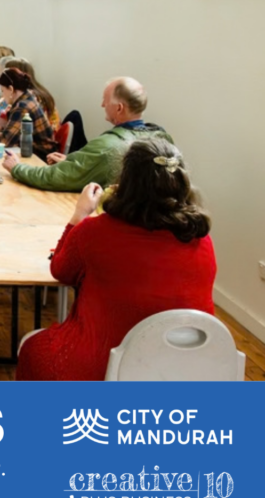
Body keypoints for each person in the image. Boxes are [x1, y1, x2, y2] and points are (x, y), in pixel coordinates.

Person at [16, 139, 215, 381]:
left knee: (32, 349)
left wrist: (79, 216)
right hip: (187, 373)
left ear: (126, 182)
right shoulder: (202, 240)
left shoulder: (95, 232)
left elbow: (60, 270)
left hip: (107, 368)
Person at [6, 77, 172, 192]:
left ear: (119, 108)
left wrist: (17, 168)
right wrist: (75, 163)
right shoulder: (162, 138)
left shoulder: (107, 146)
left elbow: (52, 177)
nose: (102, 104)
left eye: (105, 100)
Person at [0, 68, 57, 161]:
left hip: (40, 156)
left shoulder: (22, 106)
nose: (2, 95)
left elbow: (5, 140)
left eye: (3, 91)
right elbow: (10, 133)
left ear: (11, 89)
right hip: (35, 150)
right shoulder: (27, 97)